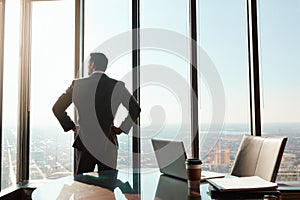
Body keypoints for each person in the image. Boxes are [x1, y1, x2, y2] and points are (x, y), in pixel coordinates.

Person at [52, 52, 141, 174]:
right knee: (108, 188)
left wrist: (71, 126)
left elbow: (57, 108)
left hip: (84, 144)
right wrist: (121, 128)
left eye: (88, 64)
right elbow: (135, 109)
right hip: (108, 144)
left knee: (82, 188)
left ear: (92, 64)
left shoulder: (78, 85)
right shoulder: (117, 86)